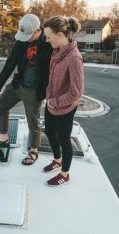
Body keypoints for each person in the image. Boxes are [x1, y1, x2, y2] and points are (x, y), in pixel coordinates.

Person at [0, 14, 53, 165]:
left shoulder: (49, 42)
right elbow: (10, 64)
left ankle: (34, 150)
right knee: (0, 106)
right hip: (18, 85)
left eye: (28, 35)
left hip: (35, 90)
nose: (25, 38)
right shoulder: (21, 42)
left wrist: (50, 93)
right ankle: (3, 139)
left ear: (38, 31)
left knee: (33, 123)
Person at [43, 15, 84, 186]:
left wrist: (55, 102)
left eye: (49, 36)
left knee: (64, 139)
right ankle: (57, 160)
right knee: (50, 132)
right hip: (52, 102)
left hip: (65, 108)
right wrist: (50, 99)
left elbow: (76, 92)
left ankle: (65, 174)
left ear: (60, 35)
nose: (46, 40)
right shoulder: (57, 50)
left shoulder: (74, 57)